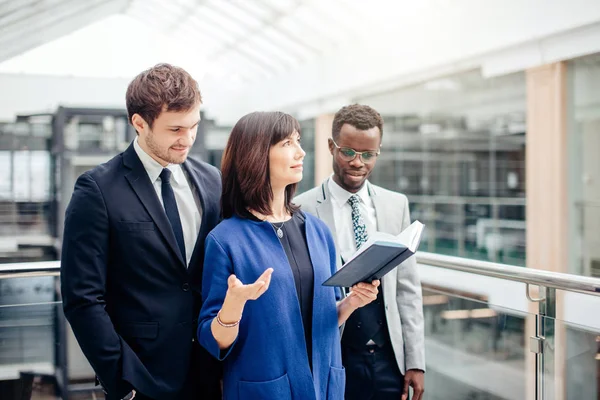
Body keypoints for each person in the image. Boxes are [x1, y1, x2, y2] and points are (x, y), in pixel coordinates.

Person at [60, 64, 222, 400]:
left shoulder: (211, 181)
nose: (187, 138)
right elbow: (82, 298)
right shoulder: (97, 189)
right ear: (139, 123)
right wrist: (121, 379)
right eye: (175, 129)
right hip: (141, 378)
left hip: (211, 372)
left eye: (194, 126)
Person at [197, 111, 380, 400]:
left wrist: (350, 303)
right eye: (286, 143)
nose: (301, 151)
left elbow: (323, 316)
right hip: (265, 389)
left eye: (298, 140)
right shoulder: (225, 240)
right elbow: (214, 341)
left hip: (324, 386)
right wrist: (233, 306)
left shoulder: (318, 231)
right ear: (256, 154)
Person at [295, 104, 426, 400]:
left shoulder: (396, 205)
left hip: (388, 360)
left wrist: (415, 361)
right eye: (349, 152)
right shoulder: (302, 209)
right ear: (331, 147)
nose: (358, 163)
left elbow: (407, 289)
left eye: (368, 155)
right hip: (335, 355)